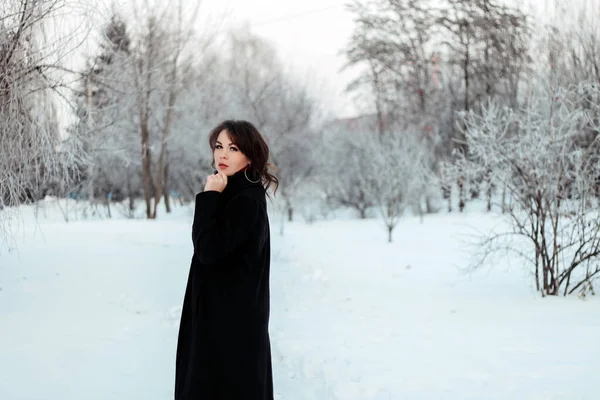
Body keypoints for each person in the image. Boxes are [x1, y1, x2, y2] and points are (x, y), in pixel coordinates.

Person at [174, 120, 278, 400]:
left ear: (249, 155)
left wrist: (208, 198)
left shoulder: (243, 200)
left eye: (233, 148)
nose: (222, 155)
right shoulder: (235, 192)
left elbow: (206, 250)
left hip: (228, 326)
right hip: (223, 318)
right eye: (219, 146)